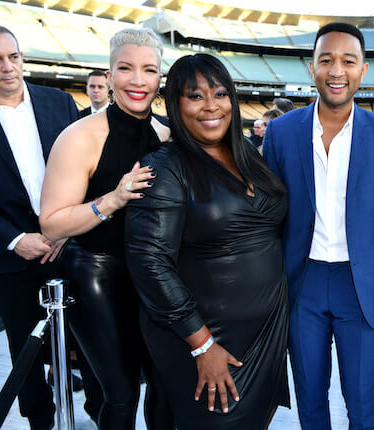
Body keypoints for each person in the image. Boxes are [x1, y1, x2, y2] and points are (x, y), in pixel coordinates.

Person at [125, 53, 289, 430]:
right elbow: (149, 263)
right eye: (195, 96)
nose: (211, 106)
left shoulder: (248, 154)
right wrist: (202, 344)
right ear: (175, 105)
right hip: (207, 340)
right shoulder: (165, 168)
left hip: (263, 338)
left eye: (219, 93)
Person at [263, 22, 374, 429]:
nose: (336, 70)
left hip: (360, 285)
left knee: (363, 402)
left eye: (348, 61)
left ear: (363, 71)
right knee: (310, 399)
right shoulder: (281, 132)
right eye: (327, 60)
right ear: (312, 68)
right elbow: (270, 217)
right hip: (301, 282)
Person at [39, 28, 173, 429]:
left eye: (148, 70)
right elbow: (52, 221)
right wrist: (111, 201)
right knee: (121, 394)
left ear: (159, 78)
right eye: (126, 69)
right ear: (110, 75)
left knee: (166, 388)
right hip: (96, 275)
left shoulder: (167, 134)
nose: (137, 80)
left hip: (153, 278)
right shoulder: (79, 137)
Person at [0, 24, 77, 430]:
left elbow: (88, 170)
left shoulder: (59, 103)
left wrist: (66, 228)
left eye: (14, 56)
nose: (8, 67)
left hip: (71, 247)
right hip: (12, 256)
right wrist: (14, 239)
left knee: (85, 345)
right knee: (26, 351)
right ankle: (41, 424)